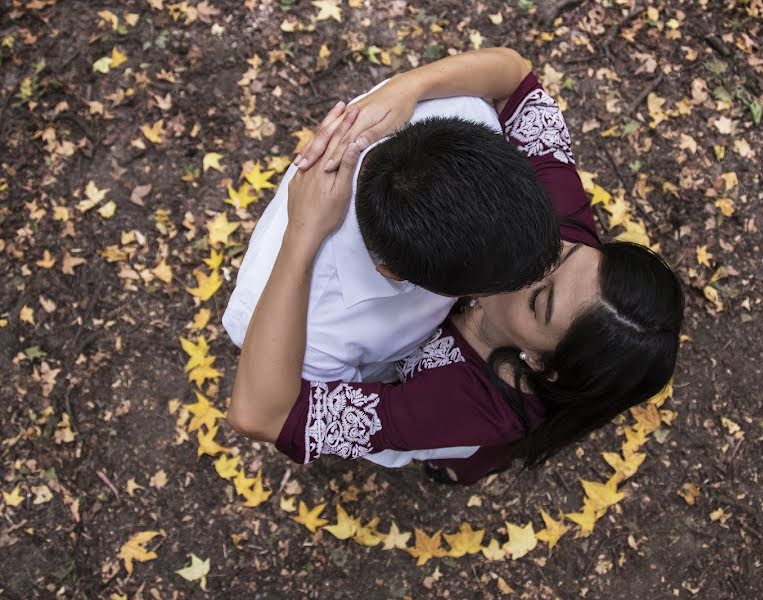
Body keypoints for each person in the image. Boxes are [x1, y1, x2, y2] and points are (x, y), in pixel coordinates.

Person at [226, 48, 685, 484]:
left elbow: (263, 415)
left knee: (470, 455)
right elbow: (516, 77)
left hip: (450, 422)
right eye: (567, 253)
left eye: (538, 299)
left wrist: (303, 236)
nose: (537, 257)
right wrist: (410, 87)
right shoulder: (555, 226)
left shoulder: (468, 405)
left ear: (542, 364)